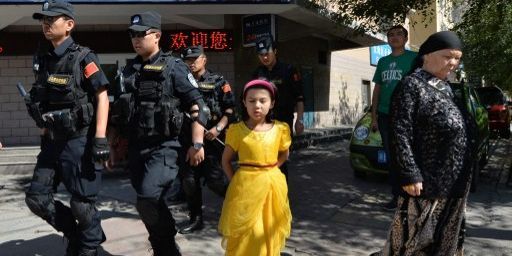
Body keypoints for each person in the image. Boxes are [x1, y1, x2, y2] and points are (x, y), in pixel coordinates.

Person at [115, 11, 207, 255]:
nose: (135, 39)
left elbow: (199, 106)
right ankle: (164, 247)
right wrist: (113, 146)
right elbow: (119, 112)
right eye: (132, 34)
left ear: (156, 36)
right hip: (136, 149)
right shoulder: (128, 71)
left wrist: (197, 143)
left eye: (140, 34)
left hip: (165, 147)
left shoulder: (174, 67)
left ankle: (166, 240)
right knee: (148, 204)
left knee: (147, 197)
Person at [24, 1, 110, 255]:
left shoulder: (84, 57)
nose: (46, 24)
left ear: (69, 25)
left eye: (52, 19)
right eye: (43, 20)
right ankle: (74, 234)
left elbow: (102, 96)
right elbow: (43, 99)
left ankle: (89, 247)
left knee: (82, 205)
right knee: (37, 198)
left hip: (79, 141)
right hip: (52, 141)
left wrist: (101, 139)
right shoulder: (43, 58)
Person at [379, 31, 475, 255]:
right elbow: (399, 131)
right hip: (427, 183)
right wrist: (409, 173)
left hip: (454, 182)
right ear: (426, 55)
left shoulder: (446, 88)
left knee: (445, 240)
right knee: (413, 242)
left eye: (458, 58)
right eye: (448, 56)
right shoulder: (411, 85)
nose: (453, 63)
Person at [218, 79, 292, 256]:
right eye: (251, 101)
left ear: (272, 103)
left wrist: (272, 168)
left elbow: (285, 153)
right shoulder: (236, 130)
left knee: (267, 229)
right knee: (247, 232)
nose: (257, 105)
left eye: (262, 100)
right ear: (244, 103)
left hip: (271, 187)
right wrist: (235, 181)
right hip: (245, 187)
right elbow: (225, 160)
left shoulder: (281, 129)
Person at [178, 45, 236, 234]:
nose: (191, 63)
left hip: (212, 141)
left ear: (204, 59)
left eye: (195, 59)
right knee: (189, 181)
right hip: (188, 141)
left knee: (216, 181)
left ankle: (240, 208)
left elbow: (230, 109)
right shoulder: (181, 82)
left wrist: (218, 128)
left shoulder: (218, 81)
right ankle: (195, 218)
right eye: (188, 60)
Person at [370, 25, 417, 210]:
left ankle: (412, 197)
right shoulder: (382, 61)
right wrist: (373, 116)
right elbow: (377, 90)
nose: (394, 37)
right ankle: (397, 197)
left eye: (399, 34)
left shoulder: (414, 59)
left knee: (408, 156)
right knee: (392, 157)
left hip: (407, 116)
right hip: (384, 116)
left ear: (406, 38)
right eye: (391, 35)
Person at [252, 36, 304, 181]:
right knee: (263, 159)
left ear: (275, 51)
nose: (265, 57)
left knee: (280, 161)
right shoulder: (257, 73)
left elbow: (299, 98)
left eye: (267, 53)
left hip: (283, 123)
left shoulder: (289, 70)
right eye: (261, 55)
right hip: (262, 123)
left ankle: (281, 196)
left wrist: (299, 120)